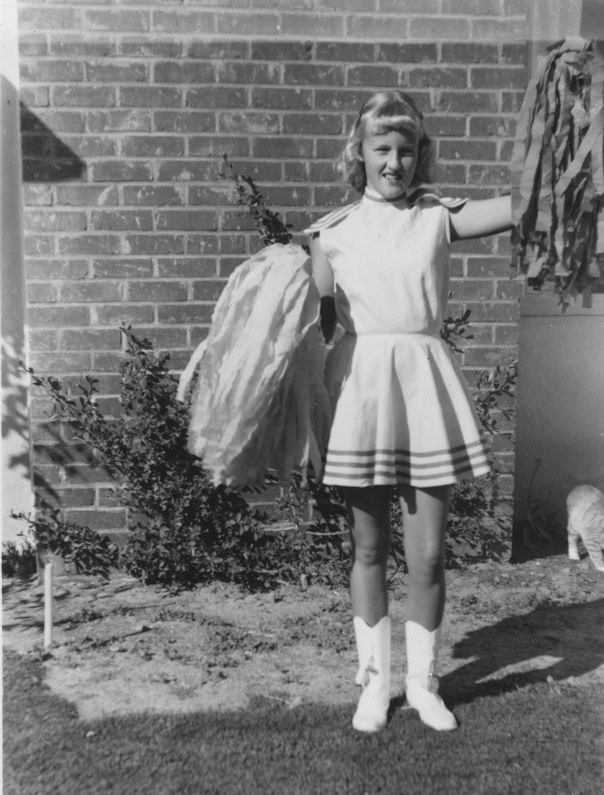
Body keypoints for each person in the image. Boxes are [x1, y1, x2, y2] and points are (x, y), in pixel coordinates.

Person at [305, 90, 512, 732]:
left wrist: (565, 155)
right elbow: (321, 327)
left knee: (425, 557)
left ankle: (423, 684)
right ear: (360, 154)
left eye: (405, 150)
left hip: (424, 389)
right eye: (381, 149)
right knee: (367, 549)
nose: (393, 162)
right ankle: (374, 683)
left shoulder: (437, 216)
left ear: (419, 154)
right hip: (363, 394)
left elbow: (518, 208)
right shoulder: (330, 233)